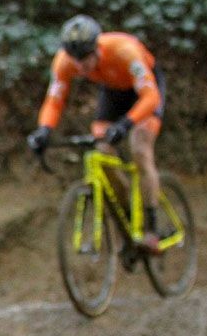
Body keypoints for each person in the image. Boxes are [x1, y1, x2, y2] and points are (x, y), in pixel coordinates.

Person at [27, 15, 167, 252]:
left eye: (85, 58)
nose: (80, 66)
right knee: (103, 151)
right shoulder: (65, 61)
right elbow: (54, 100)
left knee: (140, 149)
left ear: (97, 48)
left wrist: (125, 125)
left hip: (144, 92)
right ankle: (128, 215)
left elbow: (151, 98)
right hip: (112, 93)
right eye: (75, 59)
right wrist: (44, 130)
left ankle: (152, 227)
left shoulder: (124, 50)